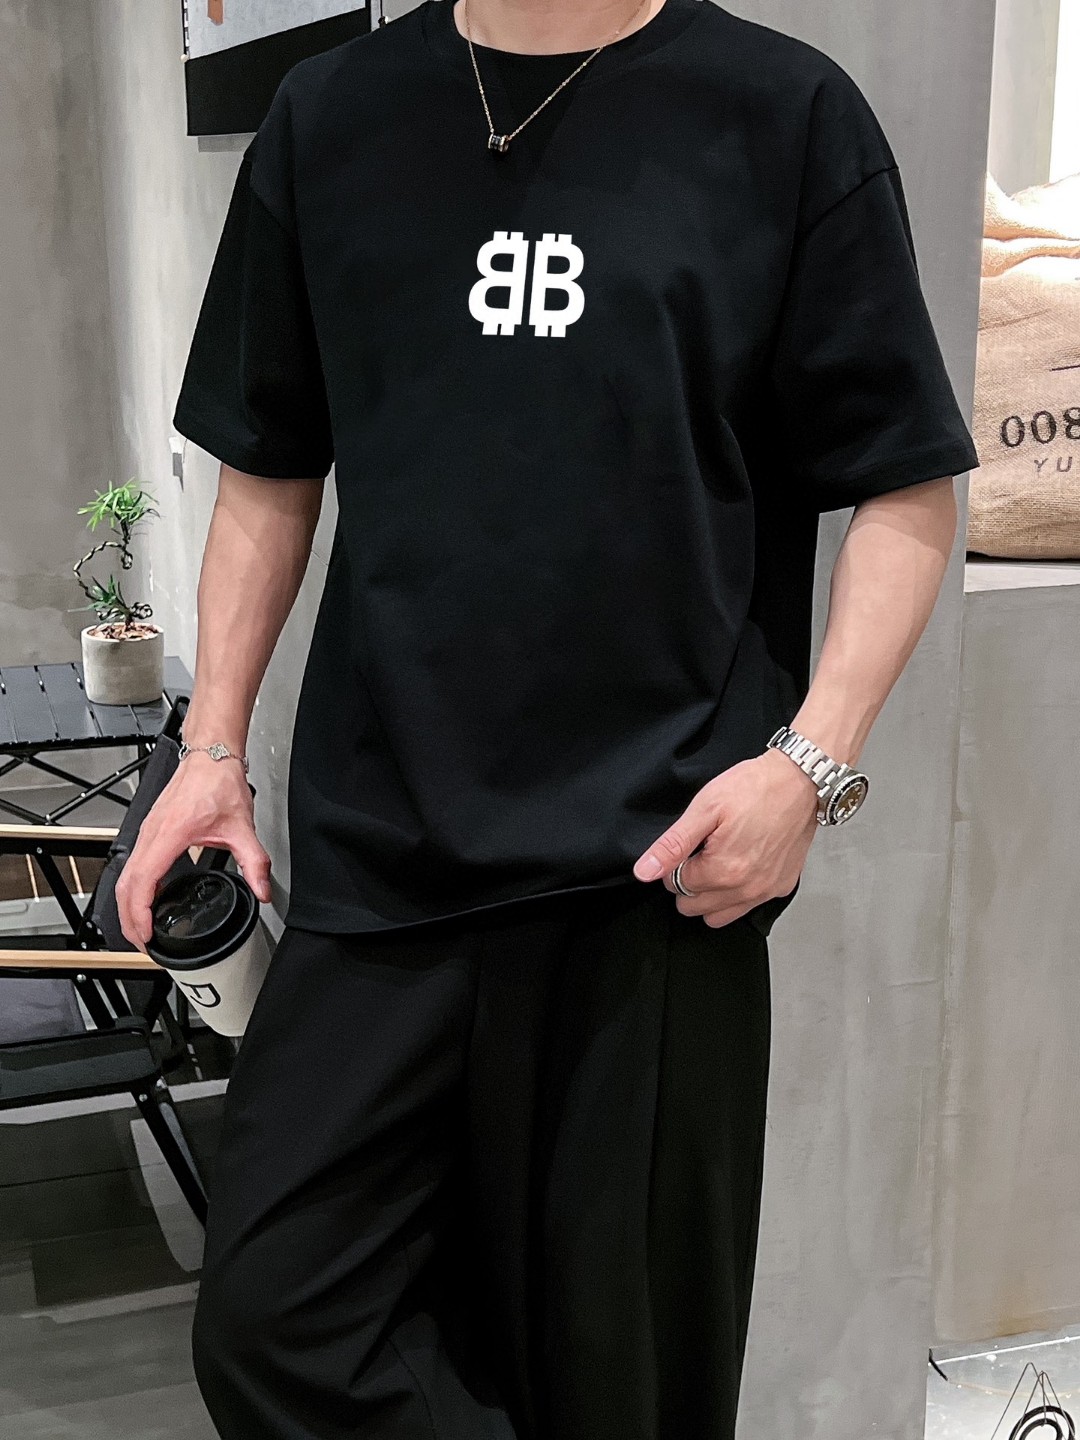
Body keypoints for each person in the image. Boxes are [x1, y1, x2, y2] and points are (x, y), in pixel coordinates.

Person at [116, 0, 980, 1435]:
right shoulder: (330, 118)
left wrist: (811, 766)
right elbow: (269, 468)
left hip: (653, 877)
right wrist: (213, 746)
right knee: (277, 1325)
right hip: (382, 857)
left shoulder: (783, 116)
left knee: (618, 1381)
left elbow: (904, 482)